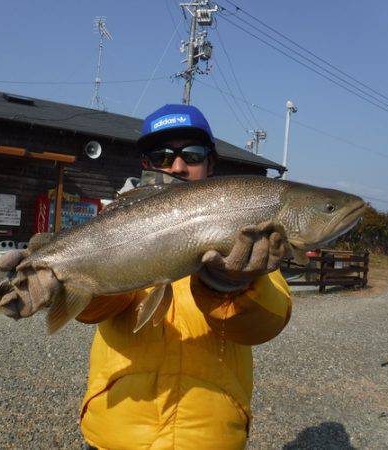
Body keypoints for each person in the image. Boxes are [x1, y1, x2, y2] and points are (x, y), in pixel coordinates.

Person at [76, 104, 292, 450]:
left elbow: (265, 325)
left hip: (209, 438)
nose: (177, 166)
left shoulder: (249, 235)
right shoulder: (112, 229)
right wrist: (64, 287)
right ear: (146, 165)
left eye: (191, 155)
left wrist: (231, 285)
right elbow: (91, 311)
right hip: (115, 432)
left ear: (210, 164)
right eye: (162, 156)